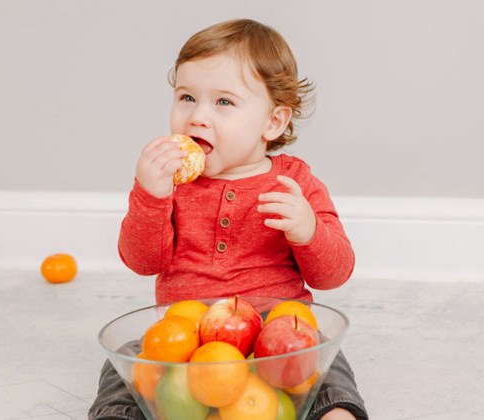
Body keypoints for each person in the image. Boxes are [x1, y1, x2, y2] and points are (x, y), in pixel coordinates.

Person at [90, 19, 368, 420]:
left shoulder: (295, 182)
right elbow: (142, 262)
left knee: (322, 360)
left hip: (277, 327)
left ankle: (334, 414)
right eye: (186, 97)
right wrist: (150, 195)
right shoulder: (169, 183)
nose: (198, 117)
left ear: (273, 122)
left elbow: (334, 274)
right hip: (184, 330)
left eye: (223, 102)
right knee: (131, 360)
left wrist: (308, 231)